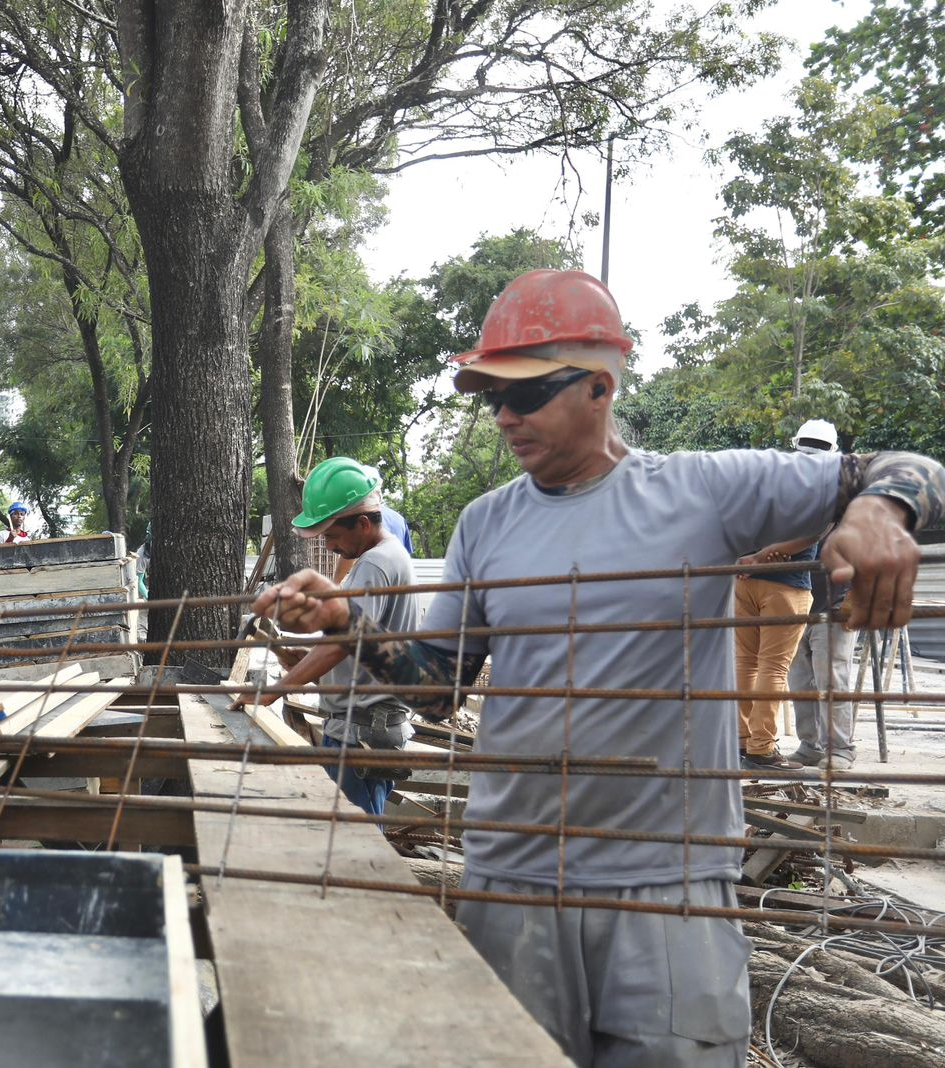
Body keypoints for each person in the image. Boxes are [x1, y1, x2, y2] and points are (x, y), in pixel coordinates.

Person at [252, 269, 942, 1067]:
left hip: (666, 886)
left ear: (600, 387)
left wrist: (878, 511)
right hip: (510, 876)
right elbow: (438, 690)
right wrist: (348, 624)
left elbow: (914, 468)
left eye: (527, 393)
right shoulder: (485, 523)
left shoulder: (703, 491)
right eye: (493, 398)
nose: (505, 417)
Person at [237, 456, 420, 815]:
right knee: (354, 833)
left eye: (332, 536)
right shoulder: (386, 558)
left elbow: (344, 643)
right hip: (364, 727)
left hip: (361, 731)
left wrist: (273, 691)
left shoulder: (376, 563)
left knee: (353, 837)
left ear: (363, 524)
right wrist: (304, 662)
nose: (331, 547)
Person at [733, 422, 842, 769]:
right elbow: (811, 535)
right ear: (832, 451)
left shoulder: (769, 477)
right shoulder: (824, 487)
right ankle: (761, 749)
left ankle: (740, 741)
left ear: (796, 444)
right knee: (774, 667)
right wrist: (765, 556)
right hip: (787, 586)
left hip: (744, 582)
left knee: (745, 663)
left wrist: (748, 558)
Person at [785, 421, 860, 771]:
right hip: (795, 599)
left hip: (836, 600)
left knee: (832, 680)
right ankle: (810, 745)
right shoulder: (791, 496)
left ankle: (840, 748)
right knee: (800, 680)